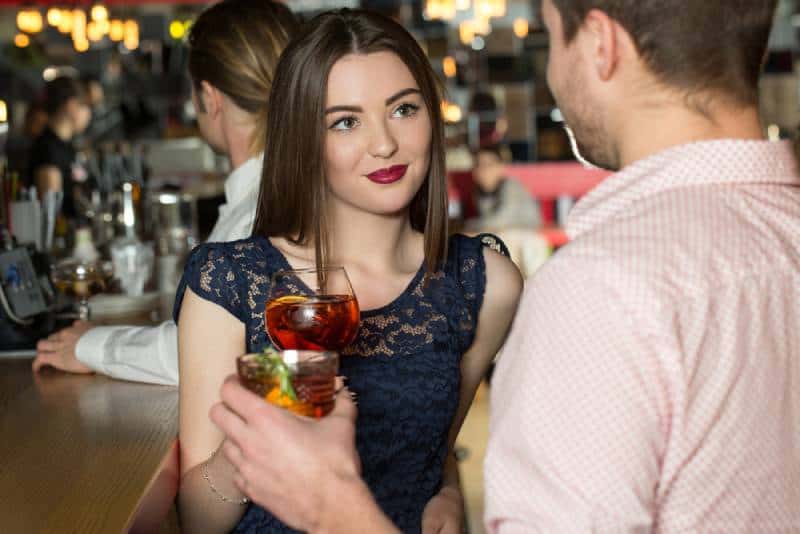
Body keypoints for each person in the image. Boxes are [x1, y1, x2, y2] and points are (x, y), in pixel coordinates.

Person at [210, 0, 800, 532]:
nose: (383, 144)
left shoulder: (600, 291)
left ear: (600, 44)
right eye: (344, 120)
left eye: (550, 36)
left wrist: (332, 506)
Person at [173, 8, 521, 534]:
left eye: (404, 110)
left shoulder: (484, 284)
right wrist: (255, 435)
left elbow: (436, 449)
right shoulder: (232, 280)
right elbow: (198, 520)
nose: (383, 144)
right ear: (303, 138)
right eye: (345, 121)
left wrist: (449, 493)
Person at [32, 0, 299, 385]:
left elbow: (198, 352)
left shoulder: (261, 210)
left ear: (209, 97)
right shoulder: (272, 192)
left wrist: (91, 344)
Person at [26, 75, 92, 218]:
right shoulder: (48, 149)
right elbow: (51, 210)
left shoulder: (65, 146)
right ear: (72, 106)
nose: (88, 114)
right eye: (85, 106)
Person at [464, 144, 540, 232]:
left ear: (501, 167)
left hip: (527, 236)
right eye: (478, 164)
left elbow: (501, 221)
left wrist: (468, 225)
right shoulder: (478, 192)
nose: (483, 170)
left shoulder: (511, 187)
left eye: (488, 164)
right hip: (501, 235)